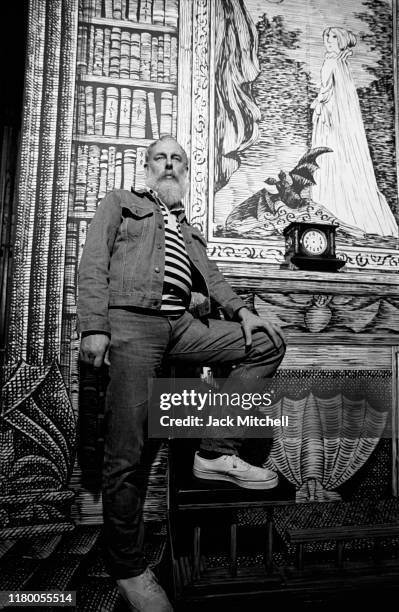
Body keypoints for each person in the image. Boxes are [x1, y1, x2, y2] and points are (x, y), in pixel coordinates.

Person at [77, 135, 286, 611]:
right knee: (126, 452)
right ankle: (129, 569)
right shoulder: (121, 203)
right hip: (132, 321)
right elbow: (93, 264)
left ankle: (214, 450)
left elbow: (211, 277)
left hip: (182, 326)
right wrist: (95, 326)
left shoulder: (186, 227)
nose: (169, 166)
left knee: (269, 342)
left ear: (185, 172)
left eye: (177, 160)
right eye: (161, 159)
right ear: (146, 166)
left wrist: (241, 311)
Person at [311, 27, 398, 237]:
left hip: (332, 122)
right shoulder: (340, 63)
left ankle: (335, 211)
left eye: (333, 37)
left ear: (341, 41)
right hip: (335, 121)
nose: (328, 40)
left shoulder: (335, 62)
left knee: (330, 160)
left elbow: (331, 93)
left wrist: (320, 104)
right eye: (326, 36)